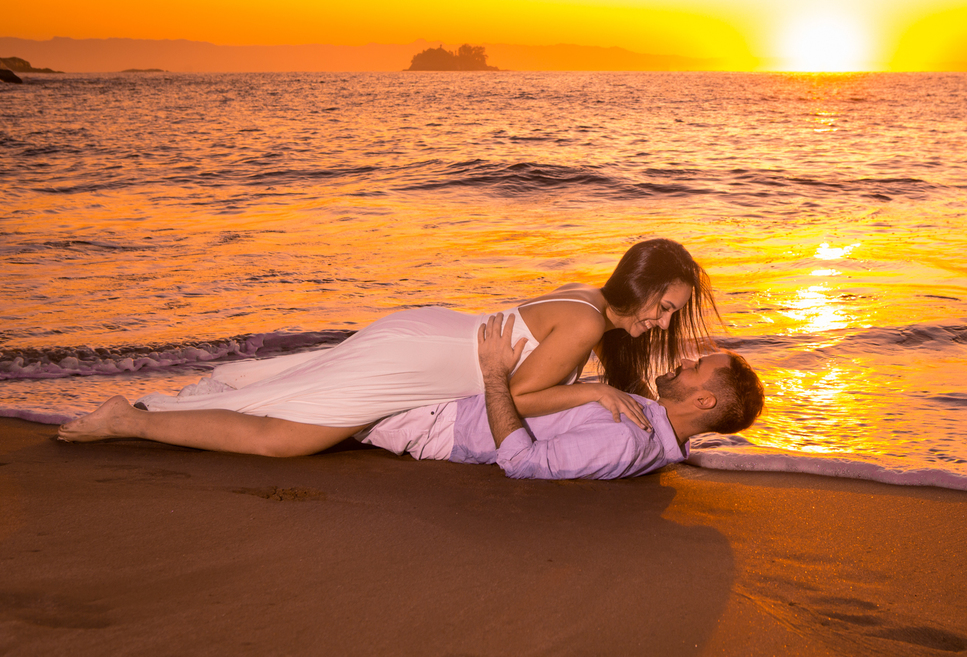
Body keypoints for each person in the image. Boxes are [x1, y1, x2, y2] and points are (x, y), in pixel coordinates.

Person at [58, 239, 720, 457]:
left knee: (286, 406)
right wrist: (596, 390)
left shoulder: (589, 302)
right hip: (415, 362)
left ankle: (139, 415)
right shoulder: (584, 325)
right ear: (640, 287)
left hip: (426, 339)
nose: (664, 325)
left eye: (673, 315)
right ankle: (127, 421)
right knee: (281, 440)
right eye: (665, 307)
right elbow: (516, 396)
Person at [363, 313, 765, 480]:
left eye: (696, 367)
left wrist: (494, 375)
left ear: (704, 402)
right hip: (454, 398)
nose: (684, 361)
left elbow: (523, 463)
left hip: (438, 422)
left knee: (314, 402)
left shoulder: (627, 439)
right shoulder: (650, 422)